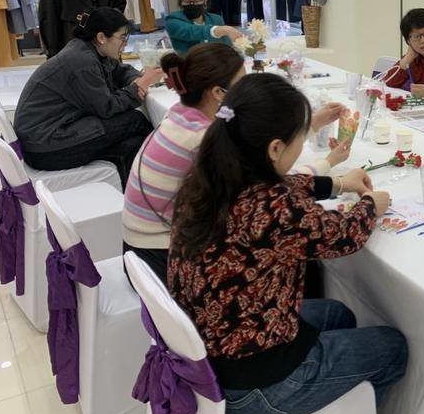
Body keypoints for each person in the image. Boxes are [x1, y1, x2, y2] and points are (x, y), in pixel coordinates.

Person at [167, 74, 424, 414]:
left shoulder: (210, 176)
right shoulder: (270, 208)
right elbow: (343, 236)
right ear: (274, 148)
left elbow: (288, 186)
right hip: (257, 385)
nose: (302, 146)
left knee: (338, 314)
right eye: (299, 141)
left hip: (219, 348)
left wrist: (337, 182)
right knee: (393, 346)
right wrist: (371, 203)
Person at [124, 46, 354, 283]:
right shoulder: (203, 140)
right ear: (218, 93)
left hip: (140, 245)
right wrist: (329, 164)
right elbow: (269, 184)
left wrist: (307, 125)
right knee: (295, 256)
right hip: (160, 257)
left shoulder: (182, 114)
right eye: (242, 85)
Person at [14, 7, 162, 186]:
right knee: (135, 121)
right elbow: (107, 108)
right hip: (46, 145)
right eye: (122, 38)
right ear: (101, 37)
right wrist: (139, 86)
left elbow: (120, 71)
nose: (125, 43)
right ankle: (159, 183)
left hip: (50, 135)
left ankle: (136, 195)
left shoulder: (91, 50)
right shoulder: (81, 61)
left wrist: (138, 79)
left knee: (134, 143)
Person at [165, 0, 243, 53]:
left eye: (196, 1)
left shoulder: (216, 19)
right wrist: (216, 30)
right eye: (186, 1)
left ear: (205, 1)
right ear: (180, 2)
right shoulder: (173, 20)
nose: (192, 4)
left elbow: (227, 49)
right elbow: (191, 31)